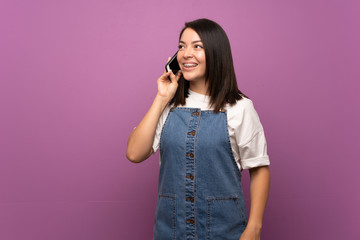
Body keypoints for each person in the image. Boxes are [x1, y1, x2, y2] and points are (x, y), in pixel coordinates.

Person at [126, 18, 270, 240]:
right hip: (170, 232)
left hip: (225, 232)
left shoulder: (240, 108)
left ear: (216, 53)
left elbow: (258, 167)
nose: (186, 54)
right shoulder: (169, 106)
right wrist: (161, 98)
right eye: (181, 46)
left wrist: (254, 229)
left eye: (197, 46)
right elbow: (134, 153)